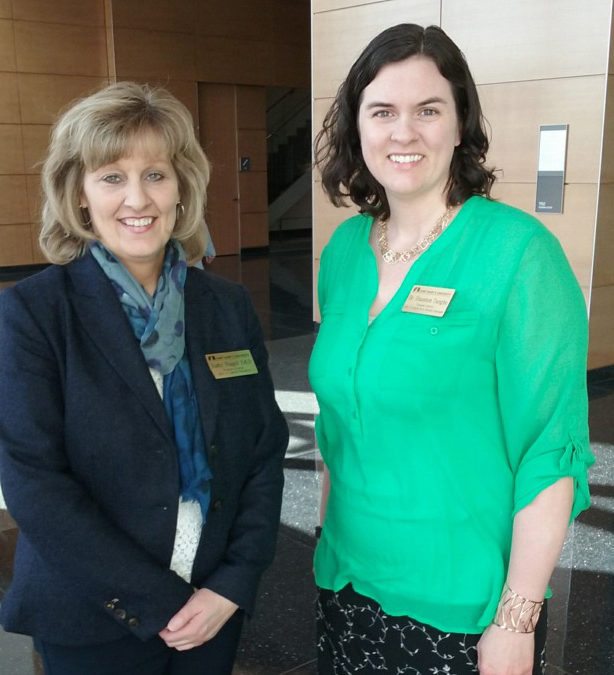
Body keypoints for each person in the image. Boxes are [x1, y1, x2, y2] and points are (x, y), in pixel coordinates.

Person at [309, 23, 594, 675]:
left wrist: (516, 620)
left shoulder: (518, 255)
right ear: (358, 127)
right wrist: (324, 539)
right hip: (346, 582)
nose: (403, 131)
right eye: (382, 111)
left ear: (459, 124)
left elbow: (550, 452)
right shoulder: (345, 252)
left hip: (464, 606)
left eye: (428, 110)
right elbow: (339, 421)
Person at [0, 82, 289, 675]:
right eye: (111, 177)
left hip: (213, 608)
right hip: (92, 613)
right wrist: (162, 603)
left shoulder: (226, 306)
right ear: (79, 195)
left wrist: (231, 585)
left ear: (181, 186)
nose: (138, 198)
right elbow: (35, 484)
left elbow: (262, 452)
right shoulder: (34, 313)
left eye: (155, 174)